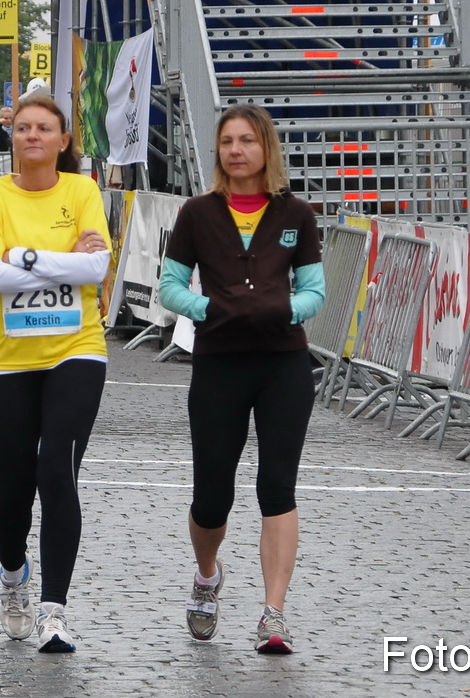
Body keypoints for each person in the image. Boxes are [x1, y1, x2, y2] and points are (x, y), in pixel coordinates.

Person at [157, 103, 325, 655]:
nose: (236, 150)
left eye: (247, 141)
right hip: (219, 364)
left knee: (276, 487)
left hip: (282, 364)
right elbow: (170, 287)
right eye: (228, 141)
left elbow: (315, 292)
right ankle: (207, 575)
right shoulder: (197, 213)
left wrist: (284, 309)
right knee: (212, 495)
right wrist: (207, 309)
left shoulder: (296, 214)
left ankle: (273, 614)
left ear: (266, 148)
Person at [0, 94, 111, 654]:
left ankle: (55, 610)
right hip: (5, 358)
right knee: (11, 494)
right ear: (12, 136)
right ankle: (13, 577)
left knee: (58, 471)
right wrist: (54, 259)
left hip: (76, 348)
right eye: (22, 127)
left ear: (62, 140)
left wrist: (19, 257)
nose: (31, 136)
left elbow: (96, 265)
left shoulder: (82, 191)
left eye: (43, 128)